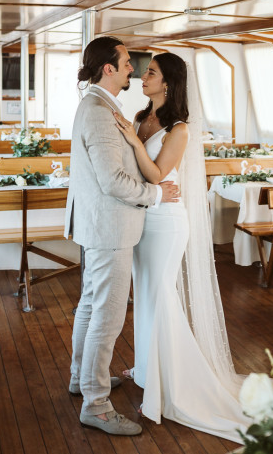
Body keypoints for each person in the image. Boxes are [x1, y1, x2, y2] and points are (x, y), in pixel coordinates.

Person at [113, 51, 248, 442]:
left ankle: (164, 389)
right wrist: (131, 138)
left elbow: (157, 174)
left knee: (161, 297)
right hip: (142, 216)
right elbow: (136, 173)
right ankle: (146, 368)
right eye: (144, 72)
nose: (143, 77)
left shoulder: (180, 129)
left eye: (151, 73)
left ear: (169, 83)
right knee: (146, 296)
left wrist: (133, 142)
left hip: (167, 222)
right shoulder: (141, 118)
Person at [66, 36, 180, 436]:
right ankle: (96, 405)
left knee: (90, 306)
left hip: (100, 224)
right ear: (109, 68)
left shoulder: (102, 104)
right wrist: (157, 194)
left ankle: (80, 378)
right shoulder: (99, 111)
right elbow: (113, 181)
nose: (134, 68)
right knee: (107, 317)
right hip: (110, 226)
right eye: (128, 62)